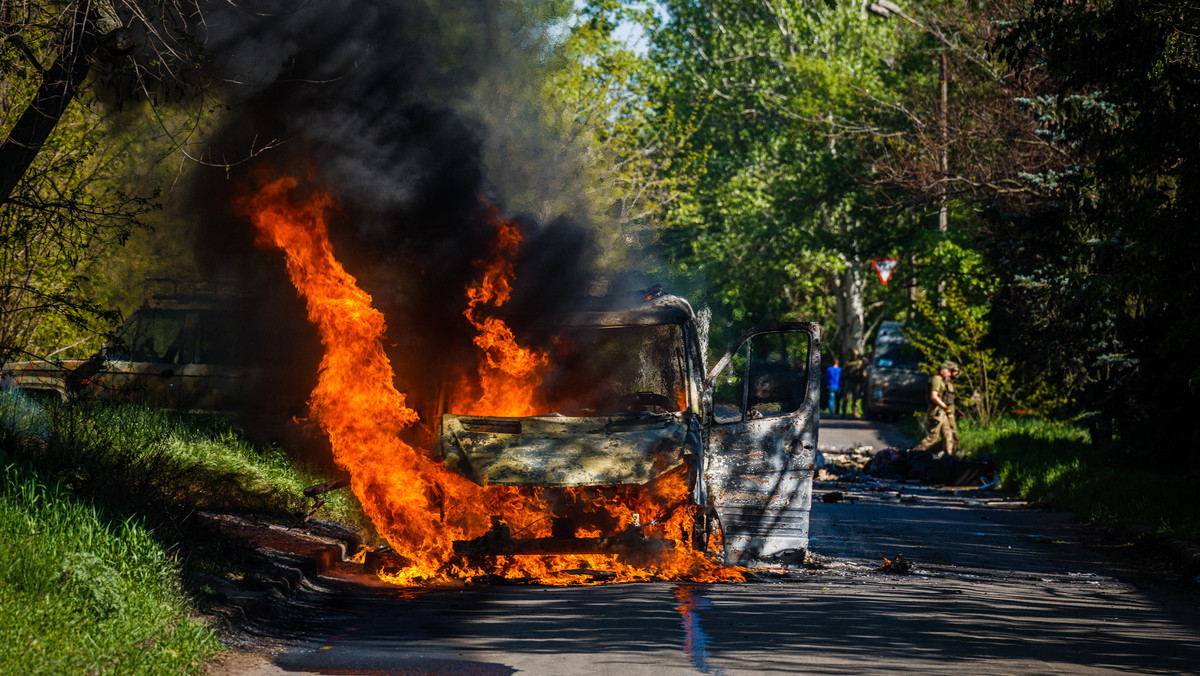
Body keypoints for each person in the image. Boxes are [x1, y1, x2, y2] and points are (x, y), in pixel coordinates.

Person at [914, 361, 960, 456]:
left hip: (941, 412)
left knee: (948, 437)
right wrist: (945, 407)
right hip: (936, 411)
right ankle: (914, 454)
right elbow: (933, 396)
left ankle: (948, 458)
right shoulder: (936, 380)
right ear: (942, 370)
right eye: (947, 371)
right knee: (932, 438)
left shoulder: (943, 381)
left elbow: (945, 398)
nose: (949, 373)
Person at [840, 349, 866, 418]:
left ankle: (855, 412)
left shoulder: (859, 363)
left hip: (856, 382)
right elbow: (842, 372)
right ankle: (844, 412)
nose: (854, 356)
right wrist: (840, 380)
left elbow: (863, 373)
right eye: (853, 355)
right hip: (848, 381)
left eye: (856, 355)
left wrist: (864, 378)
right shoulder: (848, 363)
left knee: (855, 398)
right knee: (846, 398)